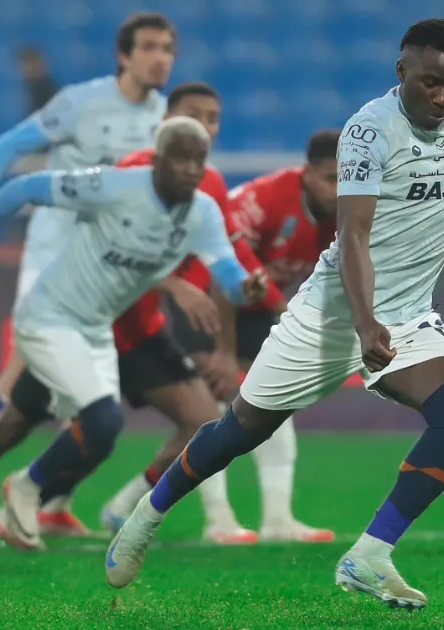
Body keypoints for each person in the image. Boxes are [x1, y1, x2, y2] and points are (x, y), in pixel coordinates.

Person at [103, 18, 444, 610]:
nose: (443, 98)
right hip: (333, 311)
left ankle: (370, 555)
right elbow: (353, 234)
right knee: (239, 431)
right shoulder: (367, 132)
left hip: (408, 312)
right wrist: (364, 324)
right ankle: (145, 516)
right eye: (431, 84)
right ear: (401, 72)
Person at [0, 82, 268, 547]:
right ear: (156, 158)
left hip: (95, 329)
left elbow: (227, 274)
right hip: (48, 316)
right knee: (102, 422)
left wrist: (246, 288)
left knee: (22, 423)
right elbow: (25, 186)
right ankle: (26, 488)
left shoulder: (202, 210)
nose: (189, 170)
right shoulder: (115, 184)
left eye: (197, 161)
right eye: (179, 159)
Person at [0, 12, 176, 539]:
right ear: (124, 55)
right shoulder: (80, 101)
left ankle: (52, 503)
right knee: (18, 371)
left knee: (88, 388)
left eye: (168, 48)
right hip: (54, 251)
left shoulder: (162, 111)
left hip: (105, 268)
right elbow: (8, 148)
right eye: (150, 47)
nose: (162, 57)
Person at [102, 129, 345, 543]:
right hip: (207, 298)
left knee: (274, 402)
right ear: (306, 174)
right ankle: (218, 520)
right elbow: (224, 261)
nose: (339, 189)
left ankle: (275, 520)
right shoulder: (265, 200)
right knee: (213, 414)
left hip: (256, 310)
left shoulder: (343, 214)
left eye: (347, 178)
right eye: (329, 178)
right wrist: (224, 351)